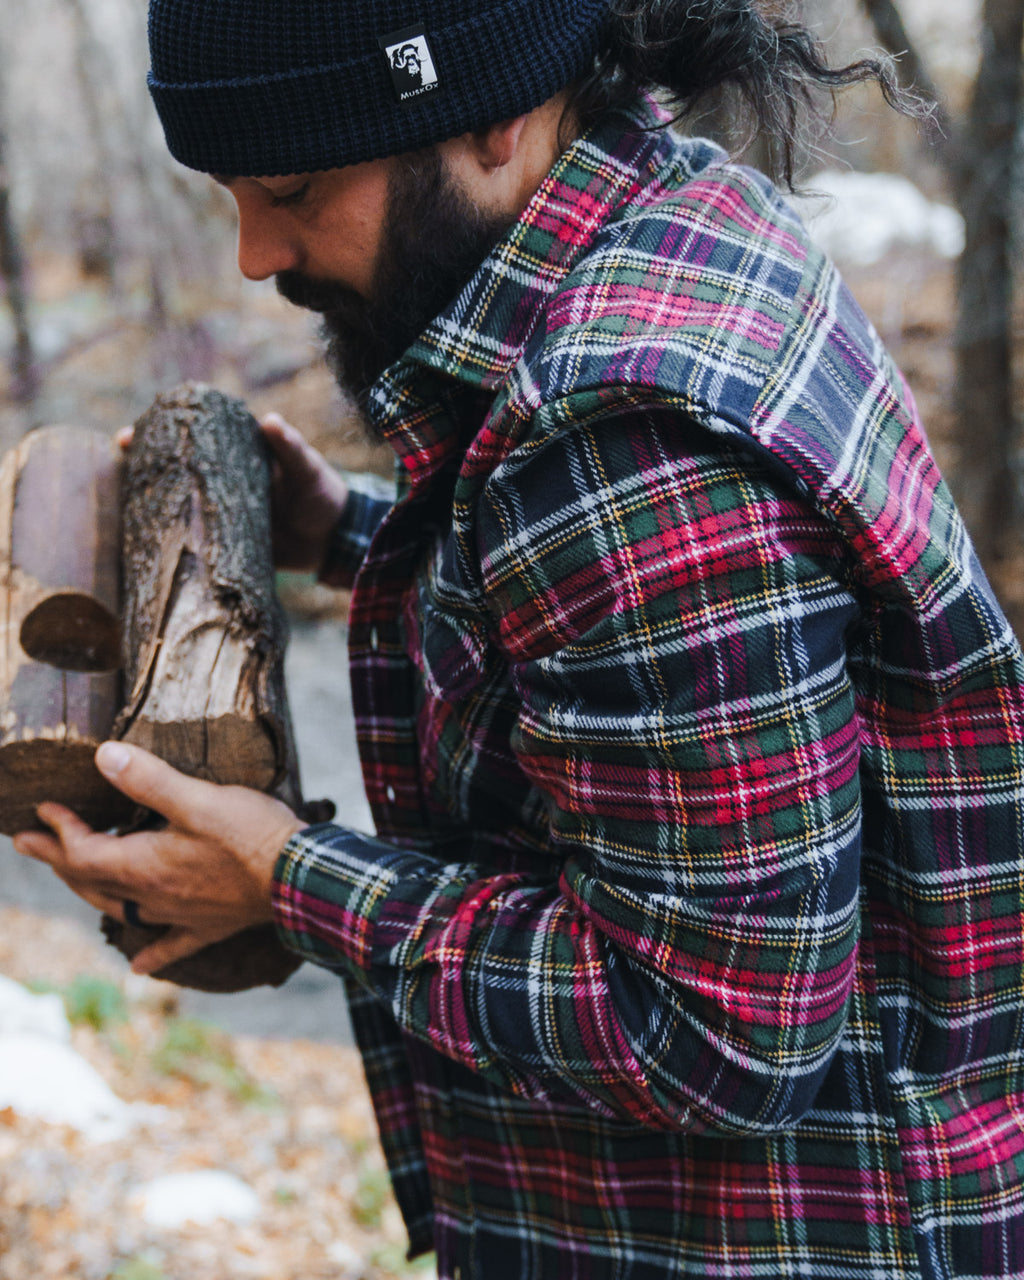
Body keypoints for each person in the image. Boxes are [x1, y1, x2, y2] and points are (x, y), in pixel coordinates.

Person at [14, 2, 1024, 1276]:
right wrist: (355, 532)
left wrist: (285, 877)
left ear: (493, 112)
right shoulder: (682, 221)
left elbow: (720, 1033)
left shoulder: (622, 441)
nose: (256, 254)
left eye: (291, 188)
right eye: (229, 195)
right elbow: (616, 644)